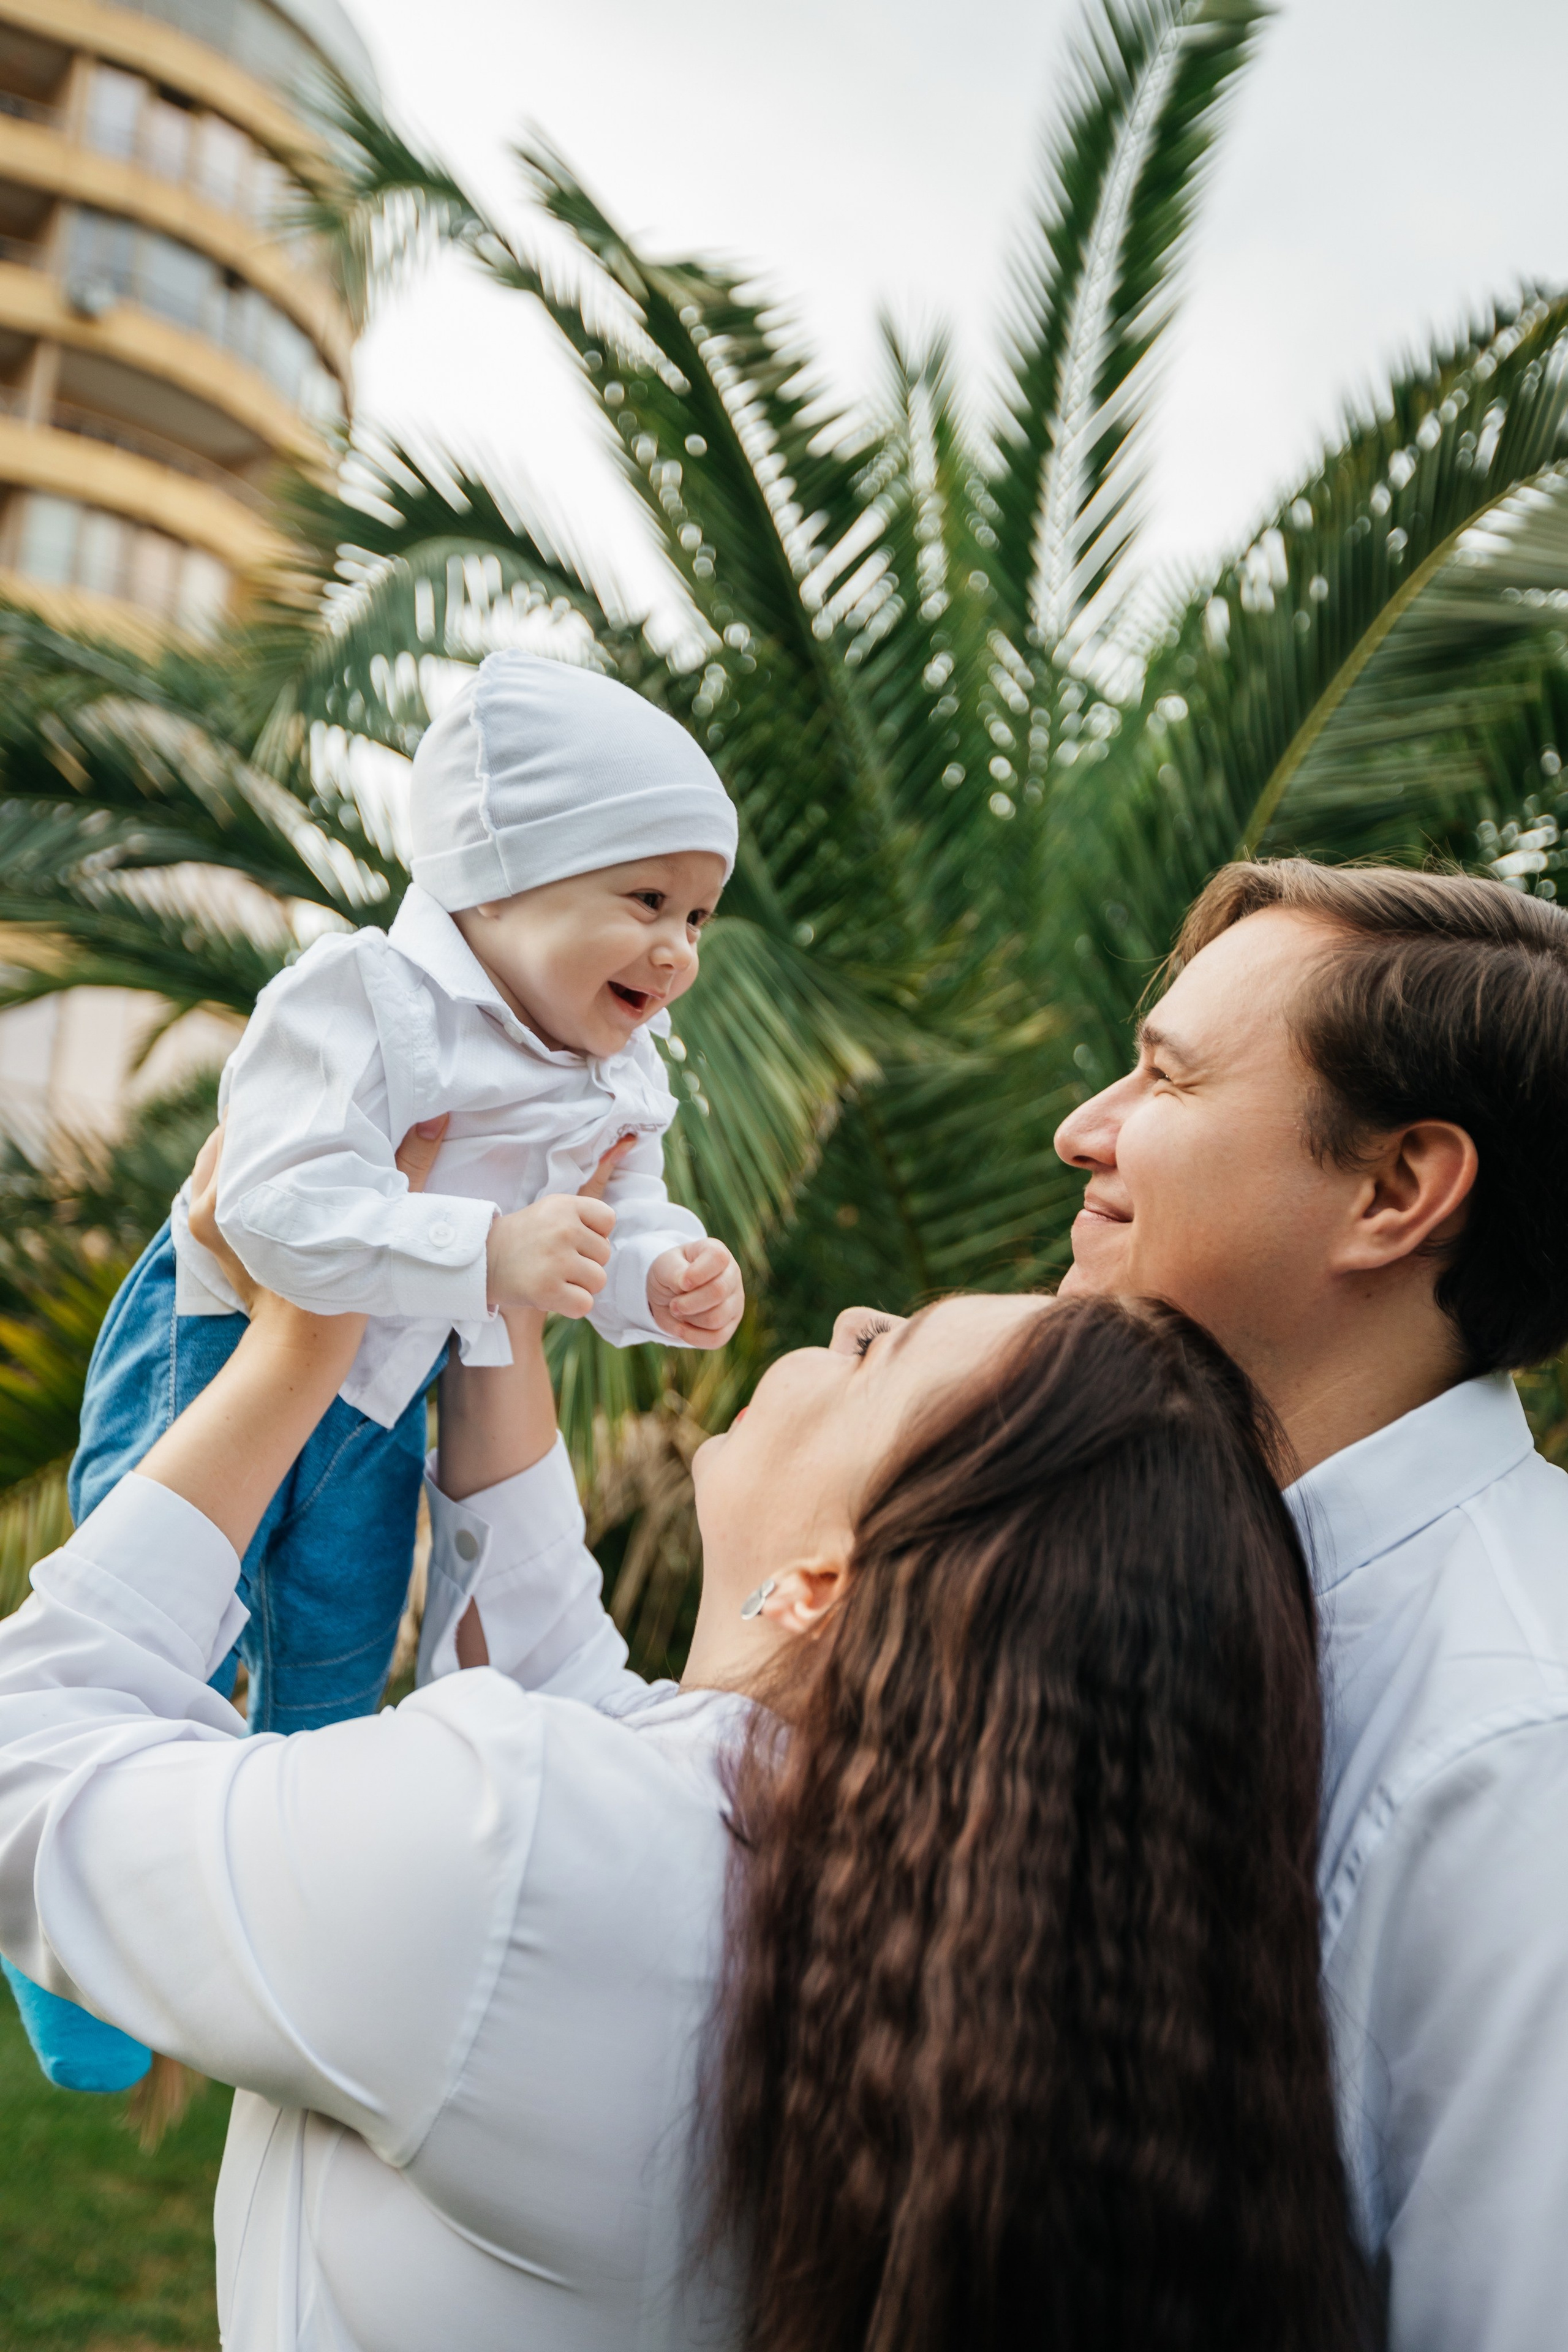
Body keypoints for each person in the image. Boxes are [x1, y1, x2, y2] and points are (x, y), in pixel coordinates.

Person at [0, 1129, 1365, 2352]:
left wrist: (300, 1343)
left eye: (880, 1355)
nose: (850, 1320)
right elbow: (569, 1684)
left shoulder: (531, 1849)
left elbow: (30, 1769)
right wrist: (489, 1296)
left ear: (821, 1580)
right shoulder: (943, 1931)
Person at [7, 647, 745, 2095]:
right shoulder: (367, 999)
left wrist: (660, 1278)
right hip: (225, 1342)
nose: (676, 951)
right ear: (499, 878)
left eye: (698, 916)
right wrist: (490, 1249)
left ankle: (297, 1908)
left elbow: (619, 1215)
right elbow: (272, 1207)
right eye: (644, 900)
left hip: (388, 1387)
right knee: (170, 1618)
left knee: (340, 1642)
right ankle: (62, 1948)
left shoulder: (620, 1071)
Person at [1053, 858, 1568, 2351]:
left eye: (1164, 1079)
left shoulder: (1519, 1756)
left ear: (1394, 1191)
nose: (1080, 1129)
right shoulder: (1120, 1580)